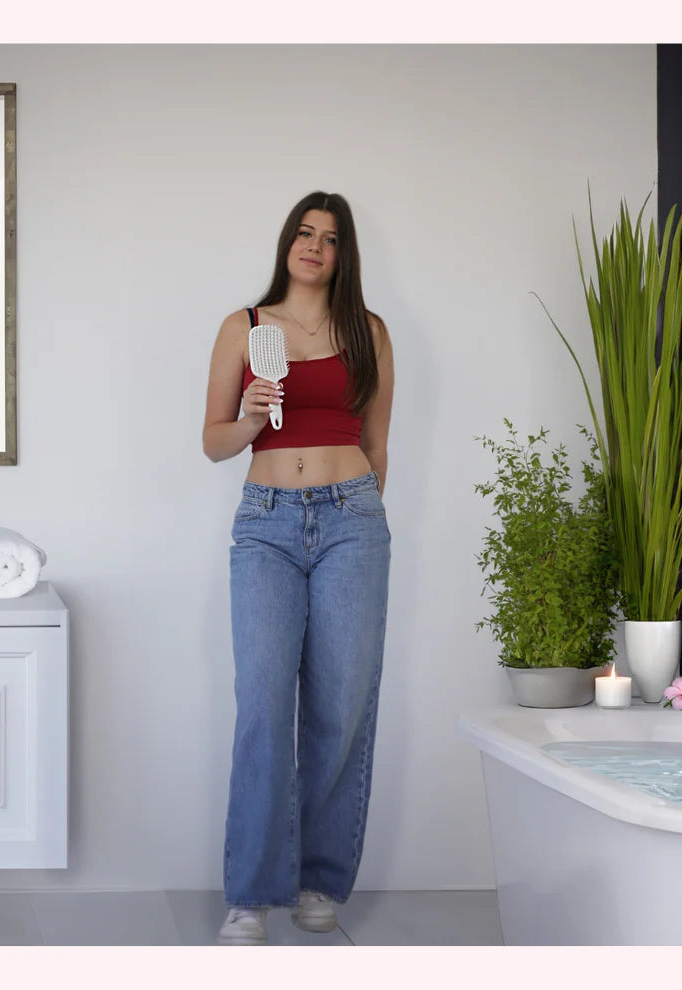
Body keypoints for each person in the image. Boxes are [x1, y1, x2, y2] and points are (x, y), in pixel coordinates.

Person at [202, 191, 394, 945]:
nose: (315, 246)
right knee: (262, 705)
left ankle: (319, 880)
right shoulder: (246, 328)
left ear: (344, 255)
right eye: (305, 233)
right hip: (266, 526)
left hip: (352, 522)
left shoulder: (368, 331)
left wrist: (358, 512)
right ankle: (251, 891)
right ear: (288, 242)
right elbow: (214, 443)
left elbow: (379, 445)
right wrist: (252, 415)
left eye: (331, 238)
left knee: (341, 706)